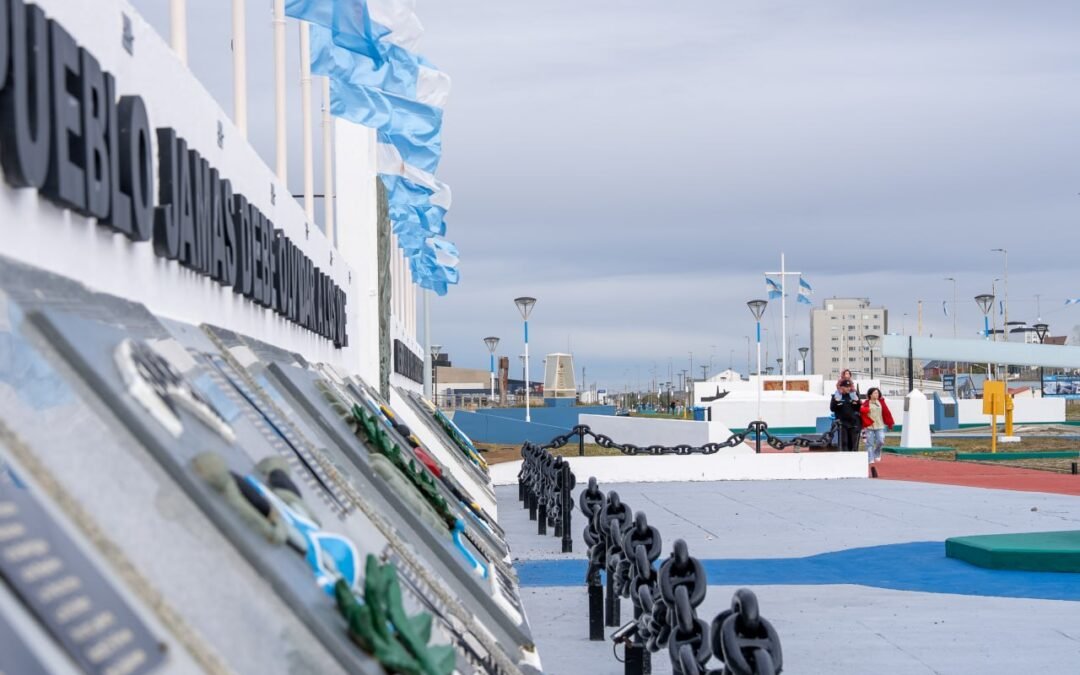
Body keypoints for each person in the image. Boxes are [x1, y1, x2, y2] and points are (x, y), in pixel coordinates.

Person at [860, 387, 895, 464]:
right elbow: (861, 413)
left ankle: (877, 452)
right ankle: (870, 458)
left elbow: (886, 412)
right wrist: (864, 410)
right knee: (870, 444)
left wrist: (890, 423)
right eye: (875, 393)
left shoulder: (881, 402)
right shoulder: (866, 403)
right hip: (869, 427)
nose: (877, 394)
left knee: (881, 441)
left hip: (879, 426)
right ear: (870, 395)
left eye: (878, 393)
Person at [830, 379, 862, 452]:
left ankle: (853, 458)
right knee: (844, 442)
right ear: (841, 387)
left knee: (853, 443)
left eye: (849, 386)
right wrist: (836, 402)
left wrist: (857, 402)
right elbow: (832, 408)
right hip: (842, 423)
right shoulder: (836, 396)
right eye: (846, 386)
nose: (848, 388)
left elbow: (858, 408)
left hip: (853, 423)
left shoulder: (853, 396)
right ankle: (845, 458)